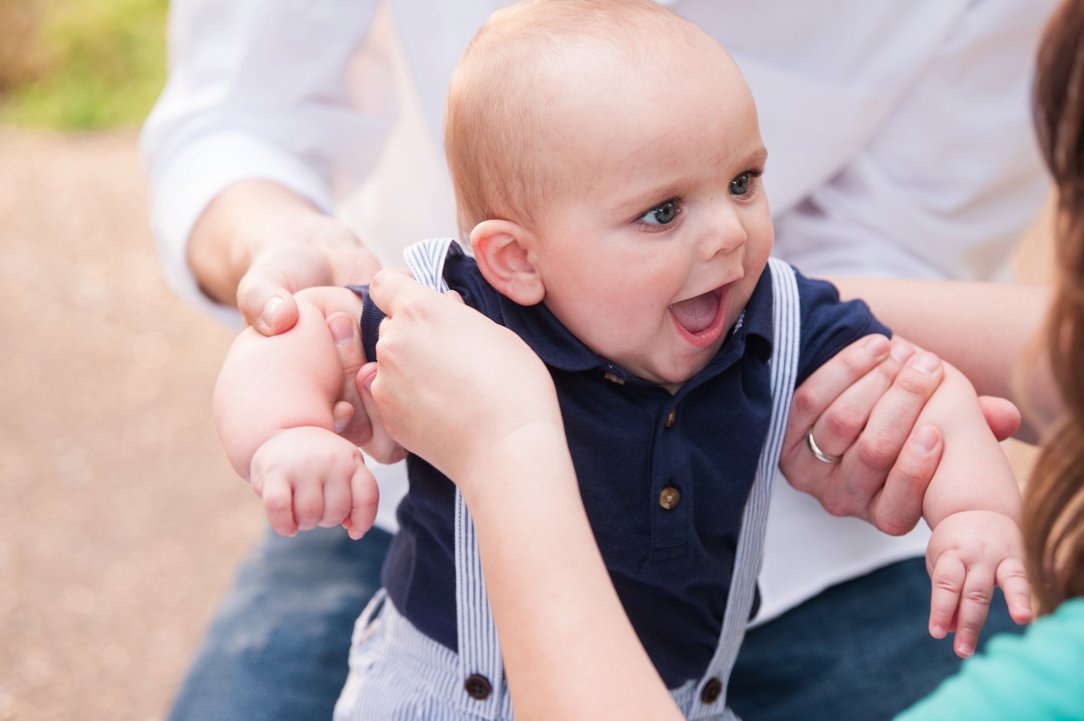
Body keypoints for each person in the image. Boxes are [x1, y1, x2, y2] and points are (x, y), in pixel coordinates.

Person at [141, 1, 1055, 719]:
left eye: (744, 182)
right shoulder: (453, 307)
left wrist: (974, 508)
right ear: (518, 260)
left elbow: (928, 389)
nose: (727, 237)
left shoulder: (769, 303)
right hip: (444, 681)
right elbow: (298, 330)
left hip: (715, 647)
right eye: (663, 212)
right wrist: (290, 435)